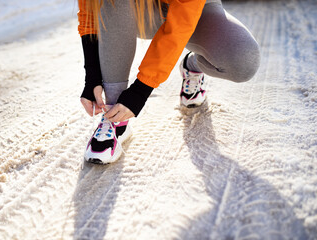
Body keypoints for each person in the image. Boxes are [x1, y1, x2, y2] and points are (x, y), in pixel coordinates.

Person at [78, 0, 260, 164]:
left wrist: (140, 91)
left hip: (194, 7)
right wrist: (92, 75)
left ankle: (193, 65)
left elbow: (180, 24)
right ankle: (115, 116)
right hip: (139, 8)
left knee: (243, 61)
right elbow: (90, 8)